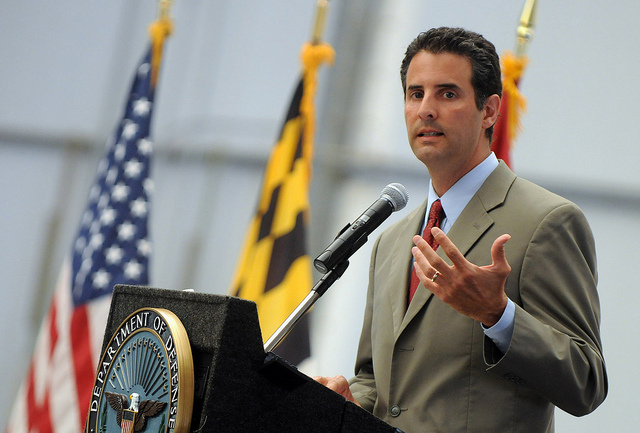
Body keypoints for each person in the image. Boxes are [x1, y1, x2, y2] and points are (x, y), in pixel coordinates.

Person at [314, 27, 607, 432]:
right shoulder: (391, 241)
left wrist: (497, 315)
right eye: (416, 94)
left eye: (447, 93)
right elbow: (378, 382)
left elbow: (586, 383)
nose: (426, 110)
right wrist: (349, 400)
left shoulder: (547, 221)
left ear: (489, 111)